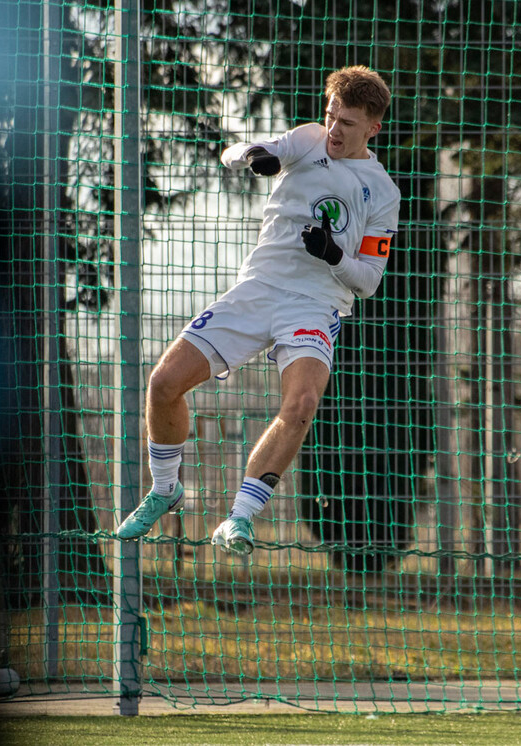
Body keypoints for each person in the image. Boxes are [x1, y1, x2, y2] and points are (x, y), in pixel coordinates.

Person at [116, 66, 401, 556]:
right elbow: (236, 152)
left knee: (303, 404)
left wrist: (333, 255)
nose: (334, 130)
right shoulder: (308, 140)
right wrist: (258, 156)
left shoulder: (384, 193)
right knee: (163, 384)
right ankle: (165, 488)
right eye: (331, 116)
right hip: (257, 289)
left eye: (347, 123)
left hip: (314, 305)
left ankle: (239, 519)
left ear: (373, 128)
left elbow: (370, 281)